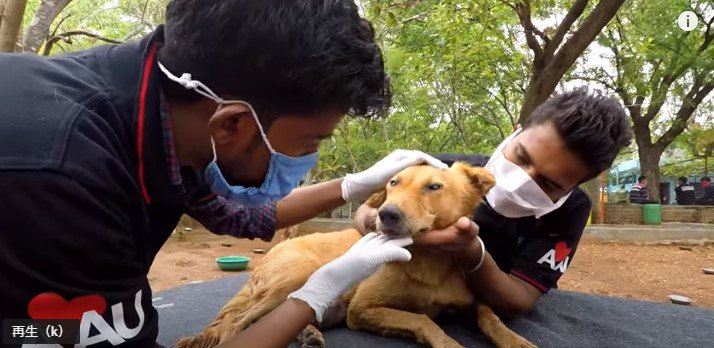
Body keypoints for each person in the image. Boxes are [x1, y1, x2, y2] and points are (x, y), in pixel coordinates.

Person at [0, 1, 447, 347]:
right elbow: (42, 332)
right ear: (232, 123)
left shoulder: (168, 105)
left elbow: (242, 217)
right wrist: (315, 295)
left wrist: (354, 185)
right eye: (309, 144)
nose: (306, 159)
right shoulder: (63, 180)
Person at [355, 88, 632, 318]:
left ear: (573, 188)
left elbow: (518, 299)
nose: (520, 179)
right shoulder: (445, 172)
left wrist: (473, 254)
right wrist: (390, 226)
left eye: (548, 184)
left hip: (474, 307)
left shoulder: (571, 211)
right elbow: (365, 212)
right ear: (515, 132)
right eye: (521, 156)